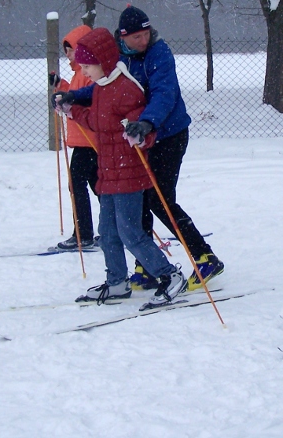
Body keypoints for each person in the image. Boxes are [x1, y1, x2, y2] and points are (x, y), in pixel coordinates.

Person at [67, 5, 224, 292]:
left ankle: (204, 256)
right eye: (137, 36)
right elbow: (104, 87)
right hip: (138, 136)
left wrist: (148, 123)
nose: (144, 40)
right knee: (137, 197)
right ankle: (145, 266)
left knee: (158, 198)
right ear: (122, 37)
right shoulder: (116, 57)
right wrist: (74, 96)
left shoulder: (158, 53)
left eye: (146, 34)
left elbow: (164, 92)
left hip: (167, 133)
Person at [52, 27, 187, 309]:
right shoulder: (101, 89)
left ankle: (169, 275)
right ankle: (116, 282)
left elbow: (145, 127)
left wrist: (141, 132)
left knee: (129, 232)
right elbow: (97, 124)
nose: (84, 71)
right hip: (109, 172)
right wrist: (71, 108)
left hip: (129, 173)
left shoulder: (126, 88)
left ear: (103, 62)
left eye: (88, 65)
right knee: (108, 232)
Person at [49, 25, 99, 251]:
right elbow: (75, 92)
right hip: (81, 139)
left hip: (89, 140)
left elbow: (87, 99)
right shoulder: (79, 73)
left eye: (70, 50)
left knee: (79, 185)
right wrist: (61, 87)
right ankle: (115, 227)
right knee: (95, 186)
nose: (67, 55)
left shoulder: (88, 73)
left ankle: (84, 233)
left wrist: (69, 102)